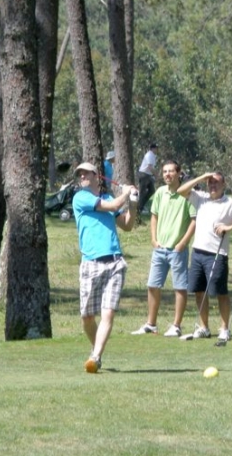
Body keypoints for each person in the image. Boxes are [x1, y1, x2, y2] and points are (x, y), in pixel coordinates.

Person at [72, 162, 138, 373]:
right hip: (91, 263)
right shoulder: (81, 198)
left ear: (96, 176)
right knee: (87, 317)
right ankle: (96, 349)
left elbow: (127, 225)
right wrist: (126, 193)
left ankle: (96, 356)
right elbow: (111, 207)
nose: (82, 176)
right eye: (79, 174)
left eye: (85, 173)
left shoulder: (109, 198)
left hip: (115, 262)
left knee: (107, 313)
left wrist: (133, 203)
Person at [177, 172, 232, 342]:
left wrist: (230, 226)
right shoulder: (201, 198)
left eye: (216, 183)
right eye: (210, 183)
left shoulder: (230, 203)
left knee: (220, 292)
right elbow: (181, 191)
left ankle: (224, 328)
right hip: (198, 252)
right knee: (199, 292)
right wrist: (202, 177)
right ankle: (204, 327)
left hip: (217, 254)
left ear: (224, 184)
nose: (213, 186)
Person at [131, 161, 197, 337]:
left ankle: (176, 325)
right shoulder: (160, 193)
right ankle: (151, 324)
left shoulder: (186, 194)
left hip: (177, 250)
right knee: (152, 285)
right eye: (165, 172)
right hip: (159, 249)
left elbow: (193, 221)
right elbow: (154, 217)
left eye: (171, 171)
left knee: (180, 287)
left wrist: (182, 243)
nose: (167, 174)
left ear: (179, 173)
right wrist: (153, 239)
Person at [137, 143, 159, 214]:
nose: (157, 149)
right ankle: (139, 208)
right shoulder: (149, 155)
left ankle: (141, 205)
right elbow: (150, 167)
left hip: (148, 175)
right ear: (152, 148)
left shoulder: (153, 155)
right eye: (156, 148)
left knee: (152, 190)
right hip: (144, 174)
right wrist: (156, 175)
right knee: (142, 192)